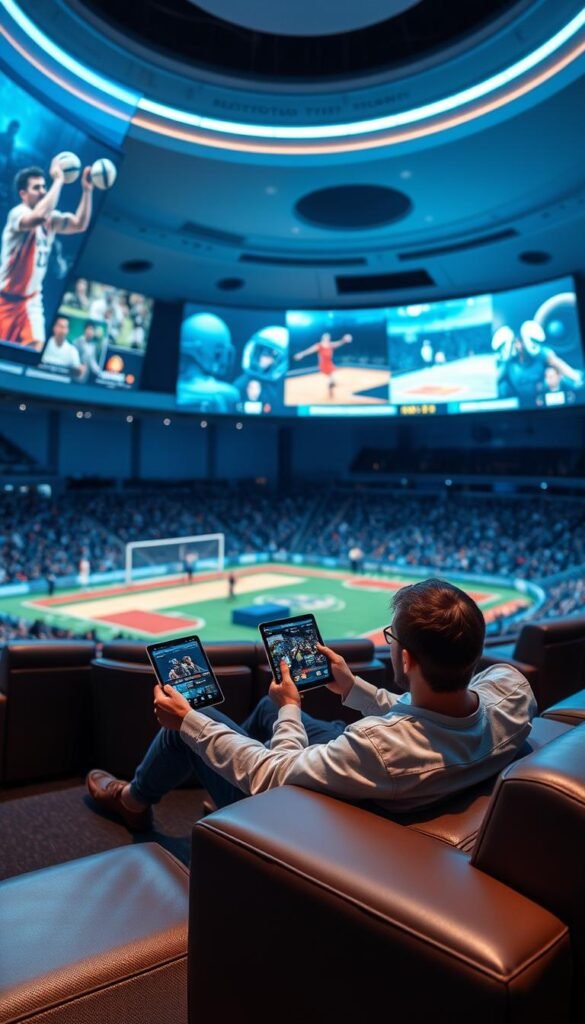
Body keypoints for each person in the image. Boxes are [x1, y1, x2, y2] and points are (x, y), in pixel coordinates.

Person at [86, 579, 536, 828]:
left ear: (405, 658)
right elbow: (429, 712)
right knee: (264, 713)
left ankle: (133, 799)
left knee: (192, 723)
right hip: (393, 777)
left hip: (311, 811)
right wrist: (352, 688)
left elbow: (274, 776)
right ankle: (226, 799)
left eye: (392, 636)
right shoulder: (512, 692)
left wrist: (285, 708)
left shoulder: (377, 747)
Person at [0, 159, 94, 349]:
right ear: (23, 194)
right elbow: (38, 217)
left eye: (45, 186)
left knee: (34, 351)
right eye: (37, 188)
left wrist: (87, 190)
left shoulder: (50, 219)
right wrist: (59, 181)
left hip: (31, 300)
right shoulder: (18, 213)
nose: (43, 191)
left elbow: (79, 224)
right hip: (5, 299)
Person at [293, 330, 353, 398]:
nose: (327, 339)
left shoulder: (330, 345)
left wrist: (344, 340)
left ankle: (331, 387)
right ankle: (331, 390)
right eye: (325, 337)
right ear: (323, 338)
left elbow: (338, 343)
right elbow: (309, 350)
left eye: (328, 338)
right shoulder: (319, 346)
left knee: (332, 378)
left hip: (329, 364)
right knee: (331, 378)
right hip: (324, 365)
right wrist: (301, 354)